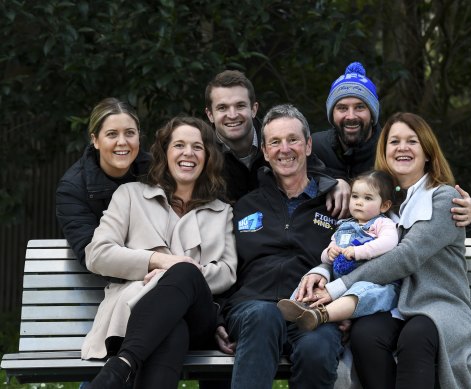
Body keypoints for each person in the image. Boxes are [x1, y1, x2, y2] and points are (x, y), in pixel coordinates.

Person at [298, 112, 471, 388]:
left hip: (439, 306)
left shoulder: (443, 199)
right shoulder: (383, 204)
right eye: (394, 141)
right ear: (384, 151)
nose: (402, 147)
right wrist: (323, 270)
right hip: (394, 306)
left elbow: (405, 257)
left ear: (428, 152)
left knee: (416, 336)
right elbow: (349, 244)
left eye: (412, 141)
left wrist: (339, 288)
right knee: (365, 335)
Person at [83, 116, 237, 388]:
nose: (188, 153)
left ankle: (119, 367)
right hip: (135, 314)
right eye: (179, 145)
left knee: (186, 272)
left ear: (208, 156)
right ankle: (127, 363)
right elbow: (98, 254)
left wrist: (176, 274)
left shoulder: (221, 210)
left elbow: (227, 272)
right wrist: (158, 260)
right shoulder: (130, 195)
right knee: (172, 331)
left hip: (197, 317)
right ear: (164, 152)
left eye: (197, 147)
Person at [214, 104, 343, 389]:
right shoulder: (245, 205)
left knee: (318, 349)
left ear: (308, 146)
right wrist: (217, 316)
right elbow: (222, 265)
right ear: (265, 152)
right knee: (265, 314)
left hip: (311, 312)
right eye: (274, 142)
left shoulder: (335, 207)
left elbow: (358, 259)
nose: (285, 149)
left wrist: (346, 304)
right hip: (251, 308)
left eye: (293, 139)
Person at [312, 62, 471, 228]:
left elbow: (429, 186)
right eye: (342, 108)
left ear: (372, 114)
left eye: (360, 107)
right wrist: (332, 182)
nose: (351, 116)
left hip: (378, 244)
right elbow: (291, 175)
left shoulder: (390, 149)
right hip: (324, 244)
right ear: (331, 113)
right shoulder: (316, 146)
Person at [205, 69, 350, 216]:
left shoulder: (276, 138)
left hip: (275, 228)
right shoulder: (203, 152)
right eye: (222, 108)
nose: (232, 115)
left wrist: (338, 183)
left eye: (240, 106)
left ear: (254, 109)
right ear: (210, 114)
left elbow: (315, 170)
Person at [278, 170, 400, 331]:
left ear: (384, 205)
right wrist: (330, 253)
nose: (358, 202)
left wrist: (360, 251)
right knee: (312, 281)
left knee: (363, 292)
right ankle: (297, 305)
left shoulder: (382, 224)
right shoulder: (343, 225)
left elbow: (389, 242)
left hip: (373, 282)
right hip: (338, 283)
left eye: (367, 198)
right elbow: (326, 254)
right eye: (355, 196)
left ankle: (319, 315)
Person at [56, 97, 151, 268]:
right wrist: (153, 263)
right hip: (99, 283)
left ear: (138, 136)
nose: (122, 142)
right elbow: (93, 254)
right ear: (95, 140)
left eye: (130, 133)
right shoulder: (72, 188)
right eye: (112, 134)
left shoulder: (157, 173)